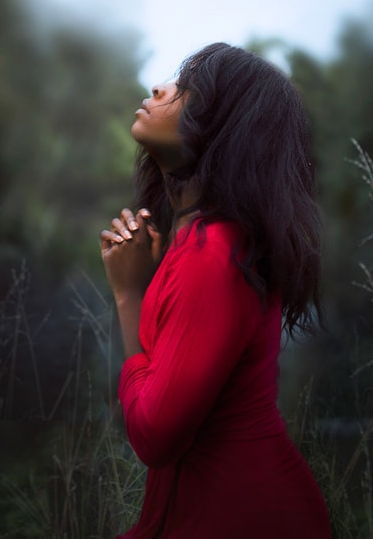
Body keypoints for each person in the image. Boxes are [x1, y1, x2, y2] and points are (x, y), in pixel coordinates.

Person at [100, 42, 330, 538]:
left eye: (187, 91)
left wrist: (127, 297)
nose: (160, 88)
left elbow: (155, 436)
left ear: (225, 129)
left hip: (243, 516)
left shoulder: (213, 255)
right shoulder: (203, 245)